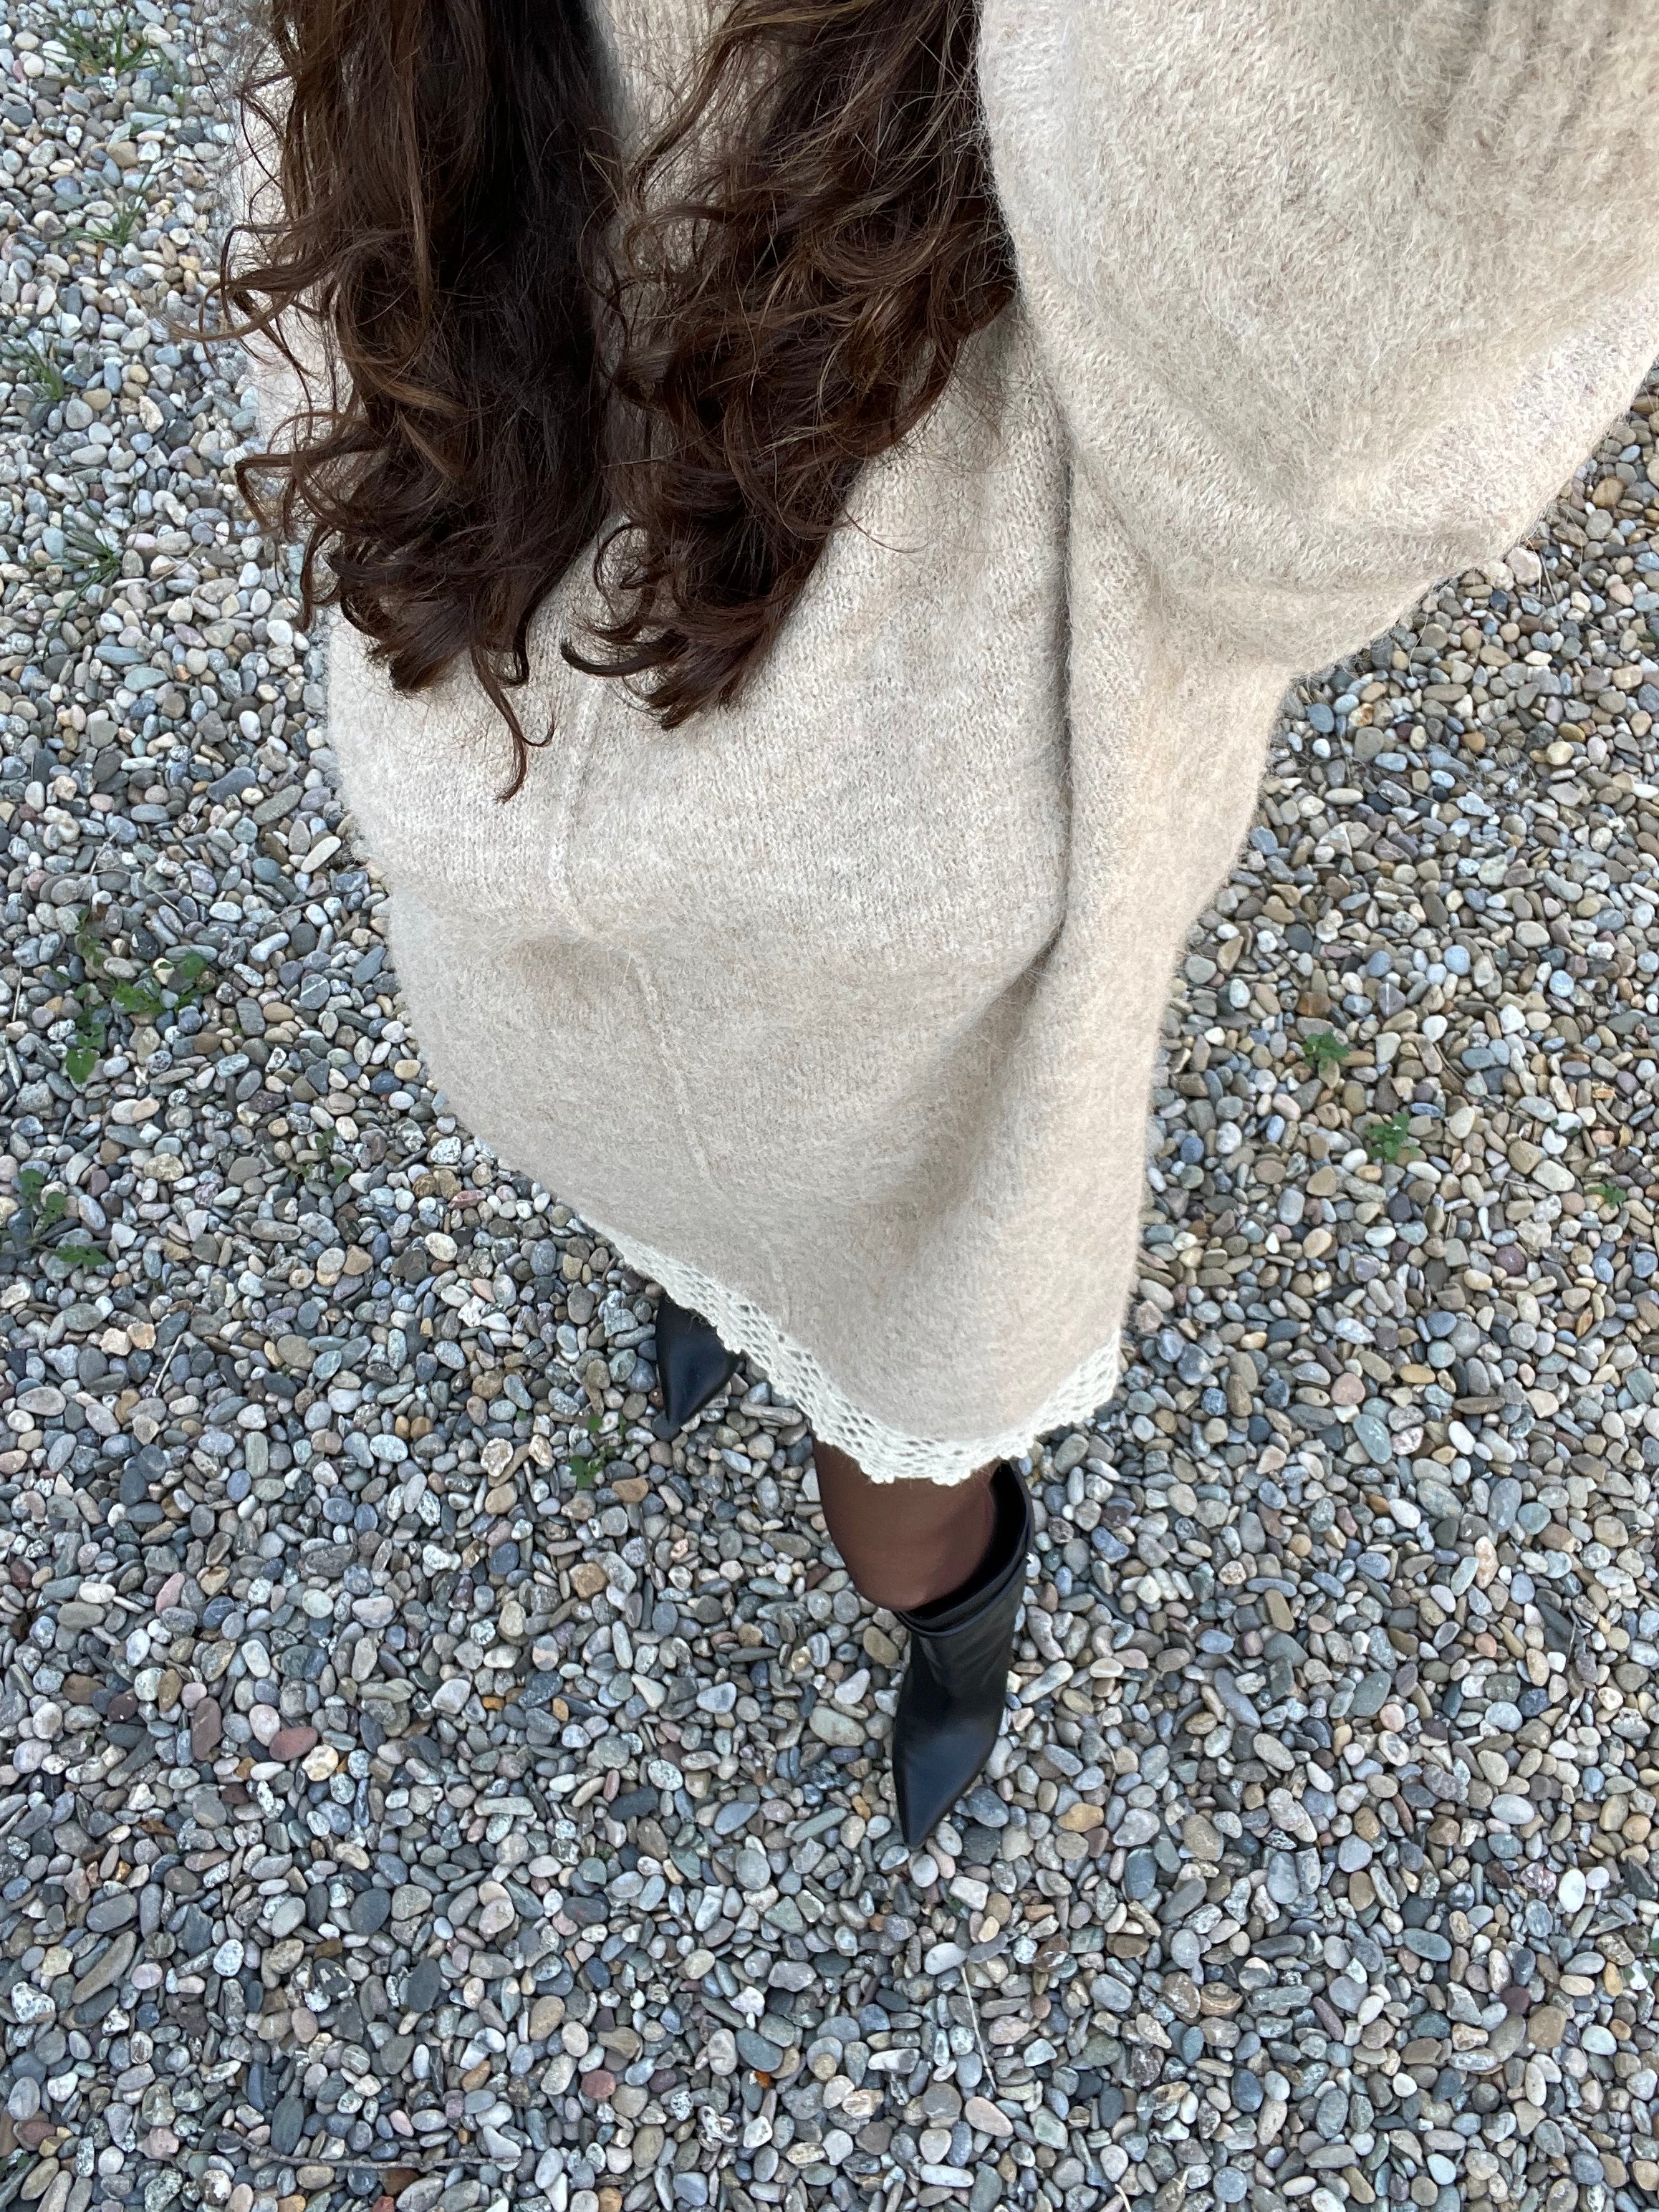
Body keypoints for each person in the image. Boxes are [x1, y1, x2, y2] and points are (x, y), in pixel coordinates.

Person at [217, 0, 1659, 1847]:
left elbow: (1317, 445)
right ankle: (724, 1293)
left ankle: (950, 1640)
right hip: (577, 984)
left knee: (896, 1508)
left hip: (903, 1056)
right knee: (717, 1253)